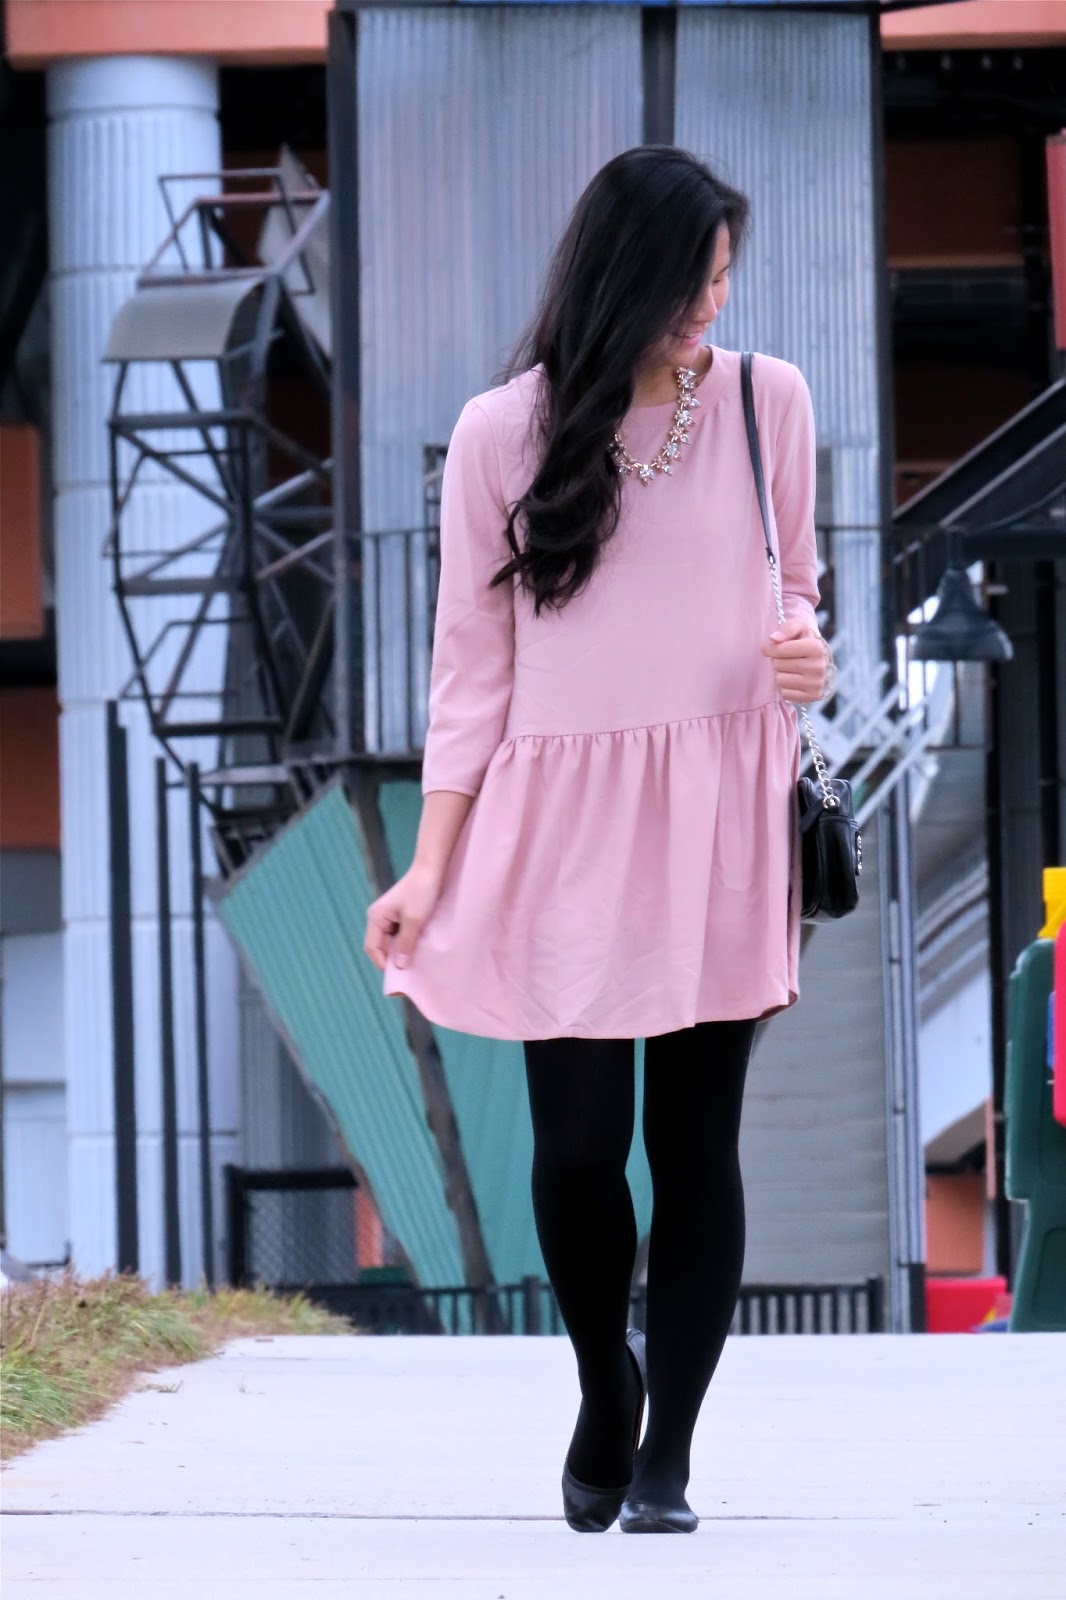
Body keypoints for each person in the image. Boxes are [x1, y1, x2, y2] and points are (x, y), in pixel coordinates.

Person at [364, 146, 833, 1535]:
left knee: (697, 1144)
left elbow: (797, 597)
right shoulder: (502, 433)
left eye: (724, 281)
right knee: (577, 1150)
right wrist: (429, 868)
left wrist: (808, 659)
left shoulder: (766, 402)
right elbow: (470, 675)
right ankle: (601, 1383)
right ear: (621, 279)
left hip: (720, 813)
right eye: (690, 284)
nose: (711, 308)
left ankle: (668, 1456)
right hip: (559, 827)